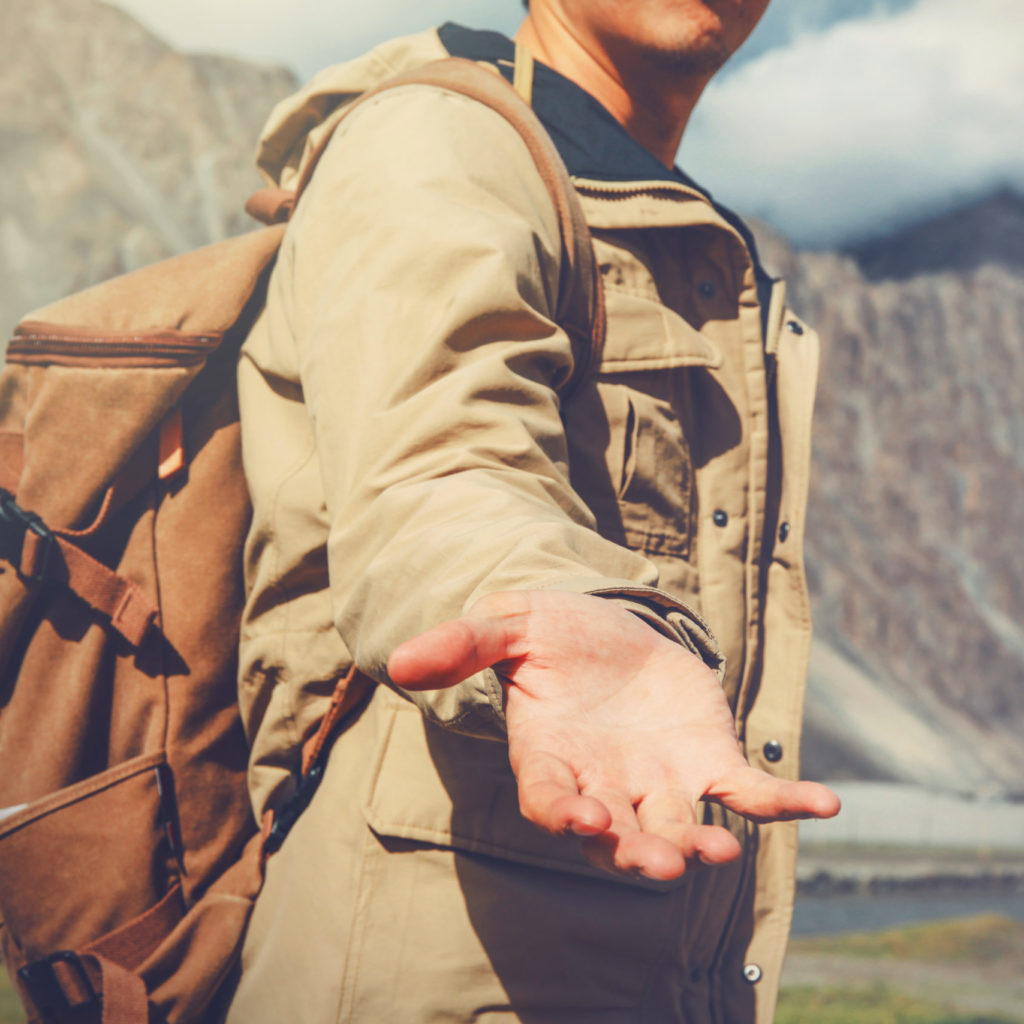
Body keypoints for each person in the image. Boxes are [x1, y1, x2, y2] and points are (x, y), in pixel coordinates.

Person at [227, 2, 839, 1022]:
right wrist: (541, 599)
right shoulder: (438, 141)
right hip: (422, 977)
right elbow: (438, 457)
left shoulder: (666, 222)